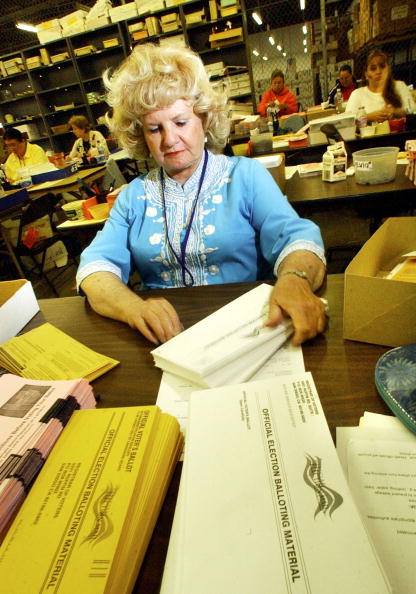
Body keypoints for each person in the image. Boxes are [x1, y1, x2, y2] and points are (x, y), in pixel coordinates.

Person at [77, 43, 326, 346]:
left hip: (247, 331)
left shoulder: (245, 176)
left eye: (180, 122)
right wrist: (133, 308)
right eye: (154, 129)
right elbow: (94, 268)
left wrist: (295, 279)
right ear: (140, 135)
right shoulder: (133, 196)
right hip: (164, 340)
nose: (170, 140)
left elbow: (297, 239)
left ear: (204, 119)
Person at [345, 49, 415, 123]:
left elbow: (412, 111)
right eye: (373, 69)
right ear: (366, 74)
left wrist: (395, 112)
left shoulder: (400, 86)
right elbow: (347, 122)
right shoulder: (357, 94)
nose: (378, 71)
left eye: (382, 66)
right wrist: (369, 117)